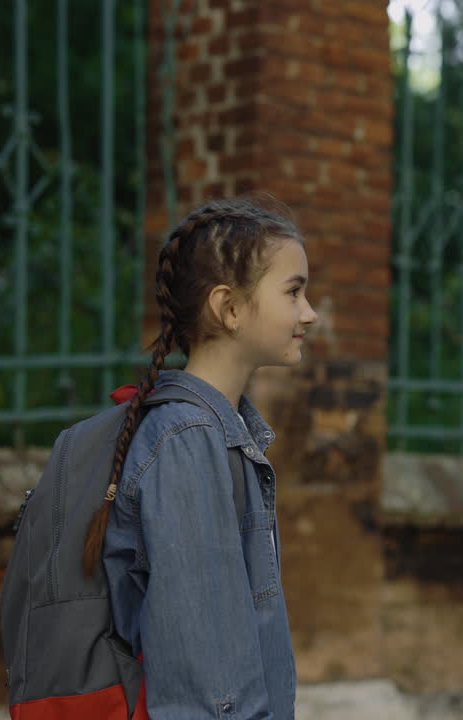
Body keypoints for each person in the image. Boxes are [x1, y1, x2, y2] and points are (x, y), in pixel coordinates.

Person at [80, 197, 319, 719]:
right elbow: (208, 682)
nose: (310, 312)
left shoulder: (219, 432)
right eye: (294, 292)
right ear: (229, 308)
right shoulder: (189, 440)